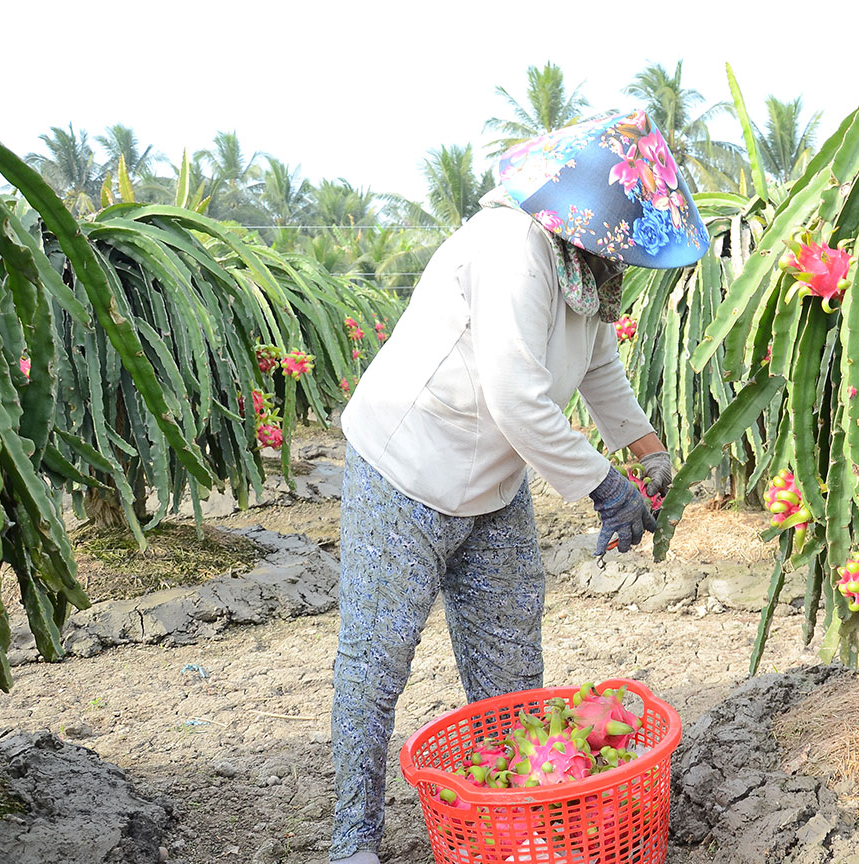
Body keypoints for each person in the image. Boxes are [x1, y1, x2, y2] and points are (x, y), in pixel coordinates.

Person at [327, 109, 710, 864]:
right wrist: (604, 488)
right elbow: (515, 396)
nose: (626, 253)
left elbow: (601, 374)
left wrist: (652, 455)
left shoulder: (586, 273)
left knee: (510, 668)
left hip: (494, 485)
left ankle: (510, 819)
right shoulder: (511, 248)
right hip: (404, 468)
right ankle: (353, 838)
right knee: (377, 661)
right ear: (596, 209)